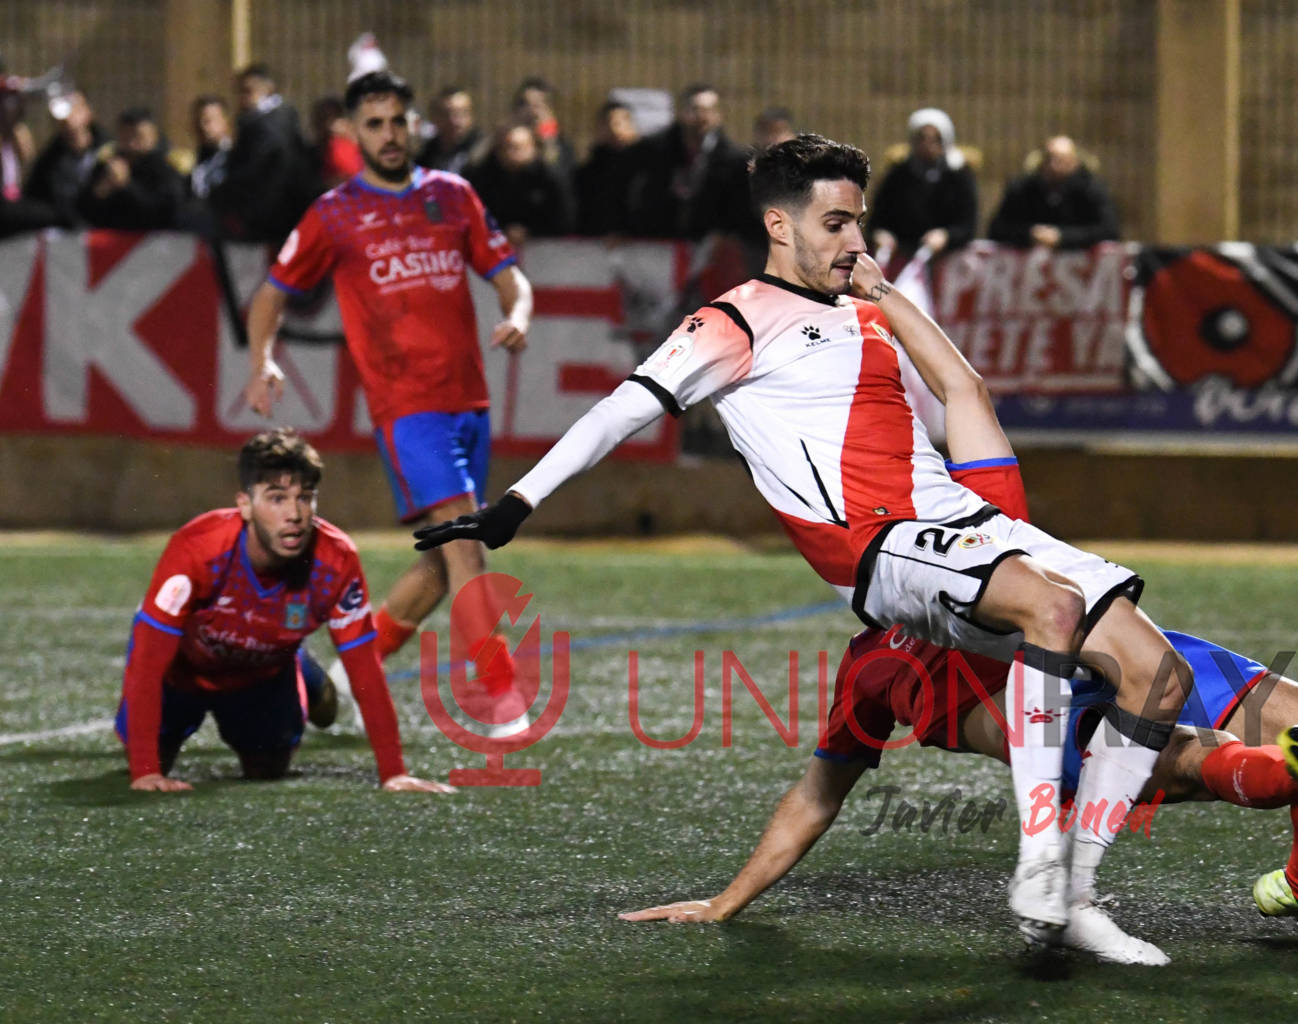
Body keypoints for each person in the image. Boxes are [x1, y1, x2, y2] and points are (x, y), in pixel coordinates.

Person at [414, 134, 1195, 955]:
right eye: (834, 224)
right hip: (879, 545)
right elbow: (622, 407)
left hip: (962, 524)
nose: (853, 242)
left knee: (1158, 674)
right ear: (778, 226)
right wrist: (516, 502)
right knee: (1053, 605)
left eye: (858, 222)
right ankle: (1039, 861)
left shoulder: (867, 307)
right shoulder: (733, 319)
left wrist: (888, 297)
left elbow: (959, 390)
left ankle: (1073, 896)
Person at [616, 333, 1298, 961]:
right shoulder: (879, 666)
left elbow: (963, 392)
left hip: (1129, 654)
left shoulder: (976, 512)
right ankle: (1287, 773)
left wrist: (881, 300)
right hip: (1049, 726)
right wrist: (726, 901)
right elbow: (818, 794)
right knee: (1192, 762)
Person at [241, 71, 535, 719]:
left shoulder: (453, 195)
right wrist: (262, 358)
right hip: (406, 407)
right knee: (465, 544)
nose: (389, 134)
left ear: (414, 124)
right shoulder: (333, 212)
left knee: (439, 565)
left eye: (398, 120)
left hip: (469, 404)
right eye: (374, 124)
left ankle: (344, 678)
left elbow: (508, 274)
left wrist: (518, 313)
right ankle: (498, 688)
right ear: (352, 133)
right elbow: (271, 294)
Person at [116, 428, 454, 795]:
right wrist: (146, 772)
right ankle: (305, 672)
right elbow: (147, 664)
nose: (294, 514)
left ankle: (302, 675)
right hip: (182, 674)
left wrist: (394, 773)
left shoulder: (336, 561)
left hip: (260, 675)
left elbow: (365, 669)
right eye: (276, 498)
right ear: (244, 504)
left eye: (305, 498)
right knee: (147, 759)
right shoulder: (196, 550)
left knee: (267, 768)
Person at [625, 82, 754, 240]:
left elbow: (737, 207)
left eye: (708, 110)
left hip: (710, 245)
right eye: (695, 109)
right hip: (659, 242)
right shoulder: (653, 150)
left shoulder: (733, 160)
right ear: (681, 112)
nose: (701, 116)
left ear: (718, 115)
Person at [213, 63, 312, 242]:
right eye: (240, 91)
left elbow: (259, 171)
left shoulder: (270, 126)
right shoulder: (264, 120)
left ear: (268, 88)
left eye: (248, 90)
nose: (243, 97)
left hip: (268, 217)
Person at [866, 108, 978, 262]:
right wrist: (881, 234)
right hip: (900, 259)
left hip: (948, 262)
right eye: (922, 138)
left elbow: (967, 225)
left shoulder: (959, 176)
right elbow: (877, 220)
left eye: (935, 139)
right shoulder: (897, 176)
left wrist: (946, 236)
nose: (927, 144)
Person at [987, 135, 1120, 251]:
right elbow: (997, 228)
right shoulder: (1022, 187)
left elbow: (1109, 230)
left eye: (1062, 160)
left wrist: (1062, 237)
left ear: (1075, 162)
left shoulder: (1092, 189)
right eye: (1049, 159)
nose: (1054, 166)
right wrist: (1030, 234)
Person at [466, 119, 573, 244]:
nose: (510, 153)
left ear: (533, 148)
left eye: (517, 148)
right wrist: (502, 230)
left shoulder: (550, 178)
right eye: (504, 148)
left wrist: (531, 232)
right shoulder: (485, 177)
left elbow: (564, 220)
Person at [79, 107, 186, 231]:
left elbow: (165, 211)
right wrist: (101, 189)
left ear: (152, 137)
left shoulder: (164, 170)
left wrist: (127, 185)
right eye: (126, 137)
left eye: (139, 137)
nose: (132, 144)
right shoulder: (108, 166)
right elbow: (83, 210)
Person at [23, 89, 103, 227]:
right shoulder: (48, 162)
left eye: (75, 110)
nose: (69, 118)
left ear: (88, 113)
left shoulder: (110, 152)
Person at [574, 98, 641, 237]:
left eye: (620, 123)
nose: (614, 129)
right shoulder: (587, 172)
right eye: (606, 123)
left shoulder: (646, 169)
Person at [417, 86, 480, 175]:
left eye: (461, 113)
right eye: (446, 114)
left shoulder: (483, 153)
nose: (454, 121)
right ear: (433, 117)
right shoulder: (427, 156)